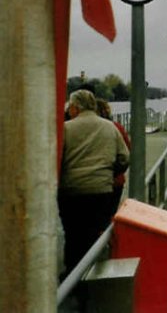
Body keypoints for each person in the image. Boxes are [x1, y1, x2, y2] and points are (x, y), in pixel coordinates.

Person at [58, 90, 130, 274]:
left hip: (71, 192)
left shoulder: (65, 129)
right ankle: (96, 272)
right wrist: (108, 174)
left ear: (75, 107)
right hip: (101, 191)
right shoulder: (110, 127)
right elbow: (124, 158)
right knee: (96, 233)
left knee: (74, 235)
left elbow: (56, 159)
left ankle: (73, 275)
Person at [96, 99, 131, 209]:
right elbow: (127, 150)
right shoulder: (117, 127)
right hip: (116, 180)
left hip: (95, 181)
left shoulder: (91, 129)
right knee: (111, 211)